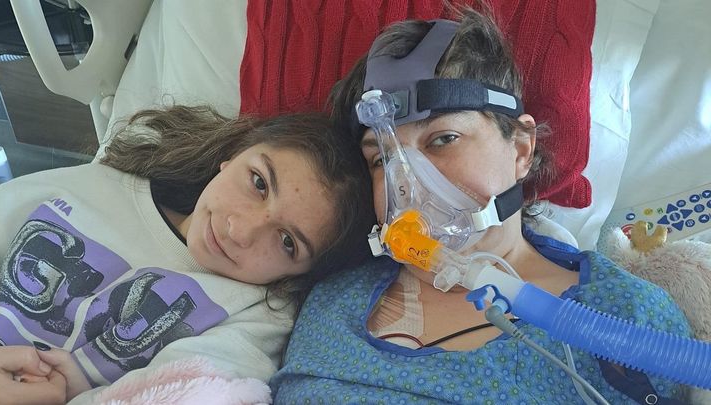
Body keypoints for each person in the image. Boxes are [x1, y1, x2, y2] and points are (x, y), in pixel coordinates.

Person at [271, 6, 693, 404]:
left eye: (443, 139)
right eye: (382, 159)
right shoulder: (333, 301)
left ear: (521, 149)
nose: (408, 184)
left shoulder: (623, 315)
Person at [0, 105, 375, 404]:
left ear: (302, 273)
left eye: (287, 242)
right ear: (233, 155)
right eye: (258, 182)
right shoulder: (100, 186)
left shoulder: (255, 317)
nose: (240, 230)